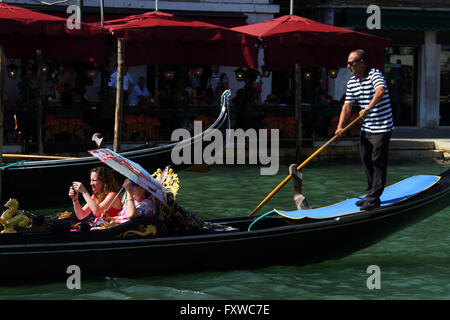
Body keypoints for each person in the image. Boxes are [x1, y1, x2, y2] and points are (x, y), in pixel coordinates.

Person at [335, 49, 394, 211]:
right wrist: (340, 126)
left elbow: (380, 91)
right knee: (366, 158)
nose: (348, 66)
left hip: (382, 126)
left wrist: (368, 107)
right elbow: (347, 106)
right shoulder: (352, 82)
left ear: (362, 63)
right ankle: (370, 193)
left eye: (351, 63)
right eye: (347, 63)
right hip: (367, 127)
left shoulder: (375, 74)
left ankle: (374, 198)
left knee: (377, 160)